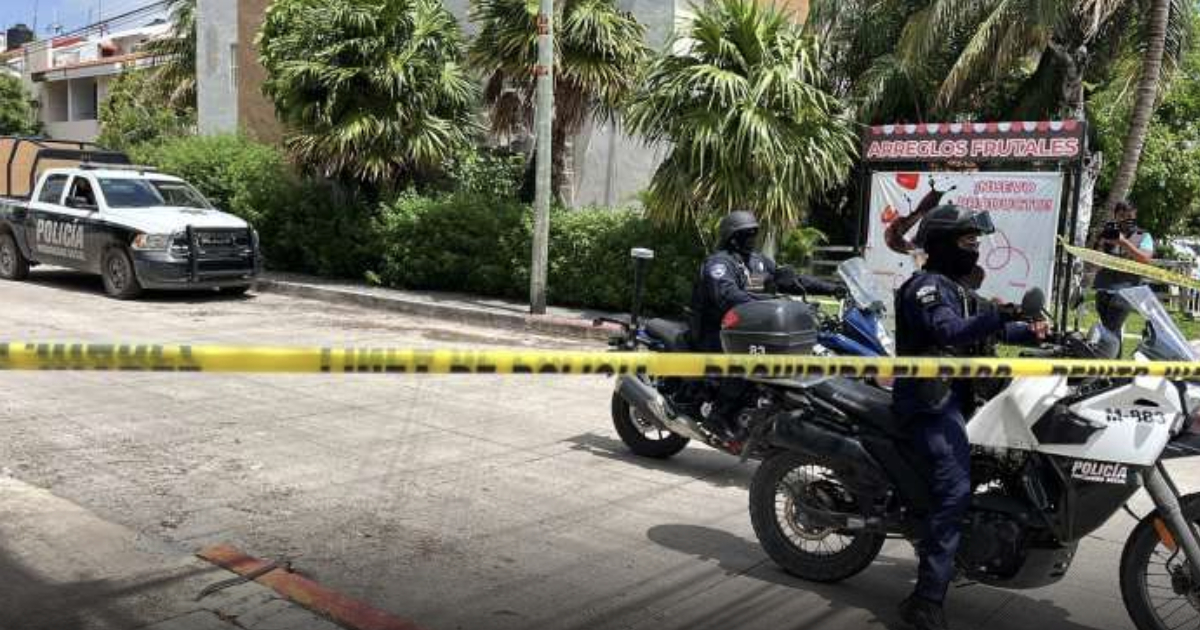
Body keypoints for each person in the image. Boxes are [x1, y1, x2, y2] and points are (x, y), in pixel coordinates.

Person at [892, 205, 1047, 630]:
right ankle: (925, 600)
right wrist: (998, 315)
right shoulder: (925, 287)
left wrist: (1033, 331)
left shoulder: (958, 289)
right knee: (954, 491)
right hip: (929, 407)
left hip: (960, 402)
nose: (975, 249)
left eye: (977, 242)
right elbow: (947, 331)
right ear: (942, 244)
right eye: (967, 242)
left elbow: (988, 328)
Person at [689, 210, 844, 438]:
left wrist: (831, 288)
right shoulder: (720, 263)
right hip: (714, 331)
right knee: (746, 364)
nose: (754, 238)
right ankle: (718, 417)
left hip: (743, 329)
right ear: (733, 238)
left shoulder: (757, 262)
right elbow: (727, 295)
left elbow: (790, 280)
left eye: (755, 233)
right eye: (748, 234)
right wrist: (768, 303)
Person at [1092, 201, 1154, 353]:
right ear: (1115, 216)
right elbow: (1092, 259)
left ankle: (1106, 363)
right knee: (1110, 329)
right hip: (1104, 288)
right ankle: (1113, 367)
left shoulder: (1143, 236)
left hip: (1126, 291)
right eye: (1122, 216)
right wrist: (1101, 242)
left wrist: (1123, 242)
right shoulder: (1107, 233)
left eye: (1129, 216)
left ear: (1134, 216)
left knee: (1111, 328)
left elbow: (1145, 259)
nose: (1126, 219)